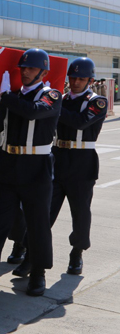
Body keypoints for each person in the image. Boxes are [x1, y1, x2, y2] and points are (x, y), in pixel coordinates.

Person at [0, 49, 61, 298]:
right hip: (8, 163)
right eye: (22, 68)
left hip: (36, 166)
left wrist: (4, 96)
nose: (25, 72)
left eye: (31, 68)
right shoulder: (10, 96)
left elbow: (33, 111)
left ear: (44, 72)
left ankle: (38, 272)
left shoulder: (52, 95)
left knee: (37, 223)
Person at [49, 57, 107, 275]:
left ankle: (77, 252)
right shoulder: (60, 99)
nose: (75, 82)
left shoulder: (97, 101)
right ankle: (33, 251)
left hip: (82, 161)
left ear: (90, 80)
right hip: (58, 157)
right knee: (45, 210)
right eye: (72, 77)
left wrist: (53, 105)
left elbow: (80, 121)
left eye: (81, 79)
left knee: (80, 212)